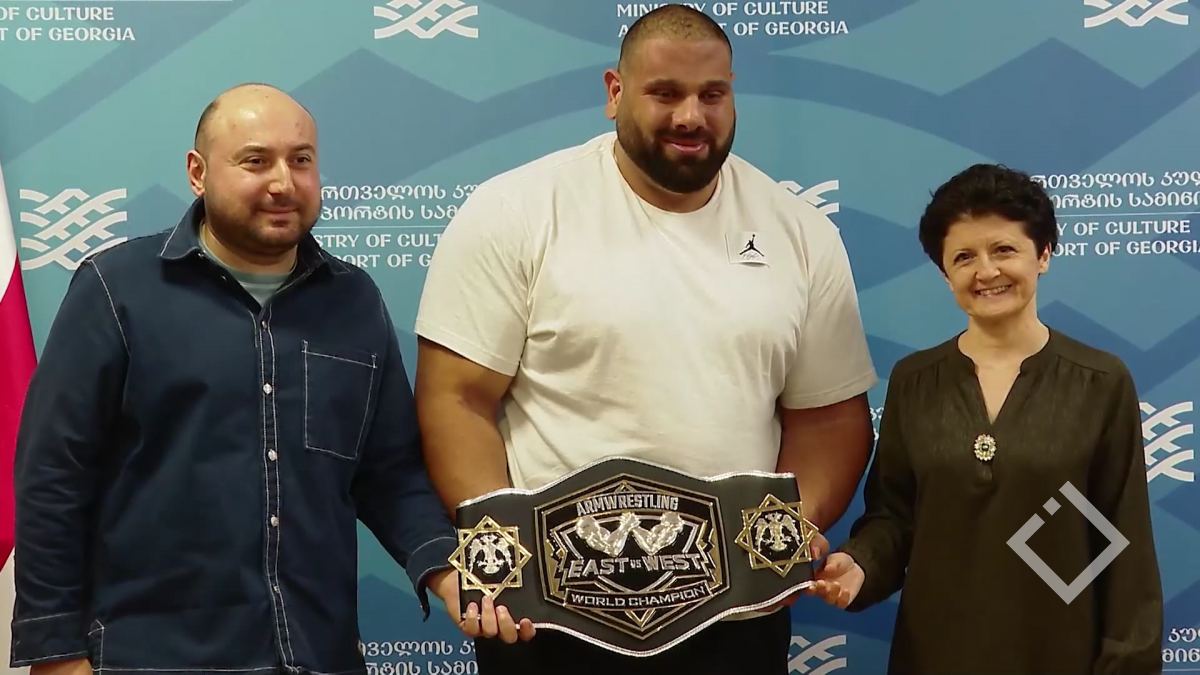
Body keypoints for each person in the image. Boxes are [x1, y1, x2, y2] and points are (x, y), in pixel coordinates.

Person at [412, 4, 877, 674]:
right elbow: (456, 399)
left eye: (711, 95)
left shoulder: (801, 232)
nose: (691, 116)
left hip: (734, 616)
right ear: (615, 92)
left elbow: (829, 417)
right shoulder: (514, 211)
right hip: (548, 618)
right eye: (665, 93)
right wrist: (505, 559)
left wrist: (784, 531)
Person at [8, 83, 522, 675]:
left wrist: (448, 570)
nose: (283, 182)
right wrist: (56, 652)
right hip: (153, 657)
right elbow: (54, 477)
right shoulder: (115, 288)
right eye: (255, 161)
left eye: (300, 160)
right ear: (198, 173)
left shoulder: (353, 299)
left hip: (319, 654)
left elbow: (391, 473)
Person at [807, 164, 1164, 674]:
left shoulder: (1099, 381)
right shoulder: (915, 380)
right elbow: (895, 516)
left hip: (1061, 653)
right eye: (964, 257)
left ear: (1042, 254)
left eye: (1004, 250)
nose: (987, 271)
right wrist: (861, 564)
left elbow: (1125, 549)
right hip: (935, 653)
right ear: (944, 273)